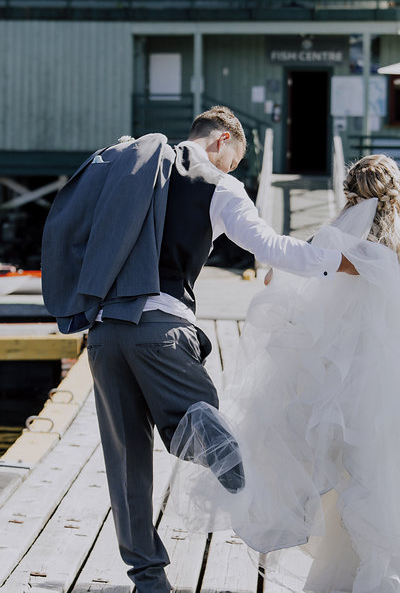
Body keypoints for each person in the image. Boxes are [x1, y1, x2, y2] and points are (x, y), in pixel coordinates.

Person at [41, 106, 357, 593]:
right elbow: (269, 245)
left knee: (126, 463)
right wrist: (343, 262)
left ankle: (148, 580)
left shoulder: (127, 171)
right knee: (195, 421)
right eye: (234, 159)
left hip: (105, 332)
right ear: (222, 140)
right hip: (161, 327)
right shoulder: (217, 185)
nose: (234, 169)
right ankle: (259, 497)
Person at [169, 154, 400, 592]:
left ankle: (346, 575)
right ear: (399, 191)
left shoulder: (331, 238)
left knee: (348, 475)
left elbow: (276, 281)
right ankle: (394, 573)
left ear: (350, 192)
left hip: (342, 371)